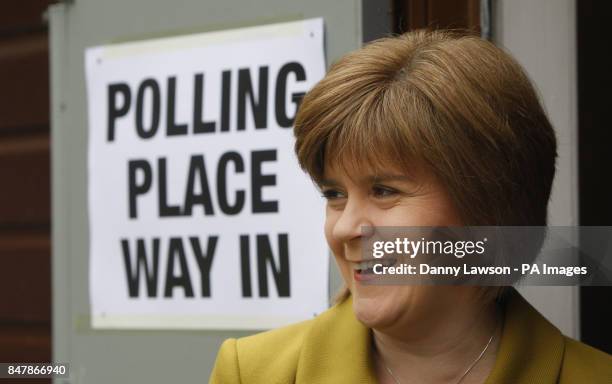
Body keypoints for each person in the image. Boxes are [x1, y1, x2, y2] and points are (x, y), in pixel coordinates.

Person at [209, 30, 612, 383]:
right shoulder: (255, 374)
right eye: (334, 194)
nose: (346, 227)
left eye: (383, 191)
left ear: (489, 207)